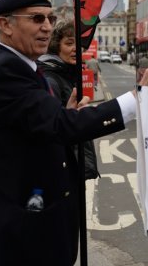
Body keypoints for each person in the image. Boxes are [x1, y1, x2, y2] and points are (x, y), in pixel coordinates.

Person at [0, 0, 148, 266]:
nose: (47, 27)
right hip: (13, 233)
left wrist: (63, 114)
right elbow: (61, 126)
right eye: (36, 19)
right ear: (5, 25)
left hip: (30, 223)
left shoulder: (23, 65)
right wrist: (137, 98)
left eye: (49, 18)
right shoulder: (4, 70)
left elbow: (39, 124)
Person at [38, 18, 99, 179]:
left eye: (79, 44)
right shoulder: (52, 79)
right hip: (63, 169)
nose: (76, 49)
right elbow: (52, 128)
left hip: (72, 165)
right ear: (56, 46)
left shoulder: (66, 73)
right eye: (69, 43)